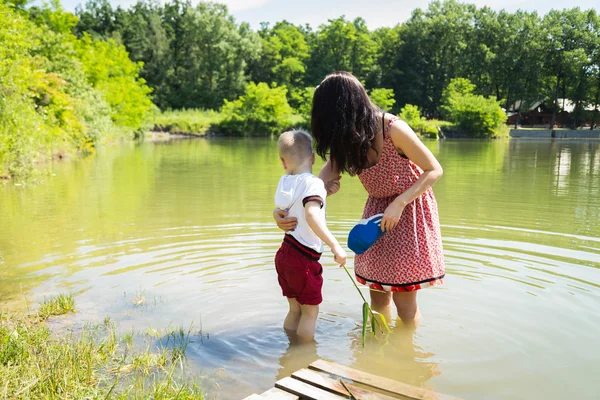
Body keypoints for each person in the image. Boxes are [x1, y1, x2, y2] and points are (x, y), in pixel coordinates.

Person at [274, 72, 445, 324]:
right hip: (375, 217)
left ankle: (406, 353)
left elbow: (434, 170)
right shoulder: (347, 140)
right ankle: (378, 354)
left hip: (408, 209)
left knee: (404, 301)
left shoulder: (393, 129)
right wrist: (283, 213)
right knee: (377, 298)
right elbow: (313, 187)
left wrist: (399, 203)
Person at [274, 130, 347, 340]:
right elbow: (311, 213)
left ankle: (290, 347)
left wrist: (324, 192)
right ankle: (305, 356)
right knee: (310, 313)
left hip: (285, 253)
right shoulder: (313, 184)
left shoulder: (285, 181)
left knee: (295, 310)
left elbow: (295, 206)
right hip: (303, 259)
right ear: (314, 158)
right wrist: (335, 245)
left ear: (283, 162)